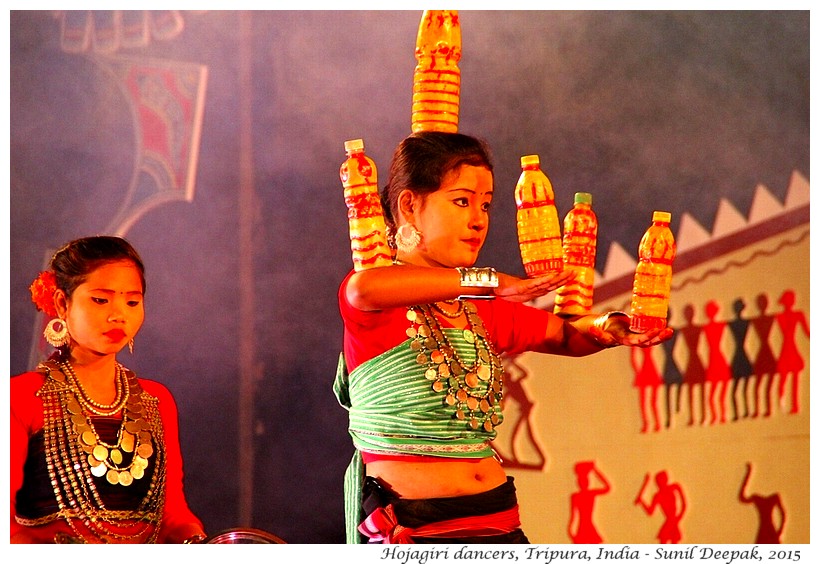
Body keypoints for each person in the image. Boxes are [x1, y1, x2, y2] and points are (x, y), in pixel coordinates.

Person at [334, 131, 673, 543]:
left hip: (498, 520)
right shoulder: (376, 300)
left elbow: (568, 336)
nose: (479, 219)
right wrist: (489, 281)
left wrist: (609, 327)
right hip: (416, 527)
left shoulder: (478, 311)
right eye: (461, 201)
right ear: (409, 205)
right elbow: (362, 289)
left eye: (486, 205)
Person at [11, 235, 207, 544]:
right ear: (63, 303)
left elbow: (171, 514)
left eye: (132, 301)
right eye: (101, 300)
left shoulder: (156, 401)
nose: (119, 314)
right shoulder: (21, 397)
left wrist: (196, 542)